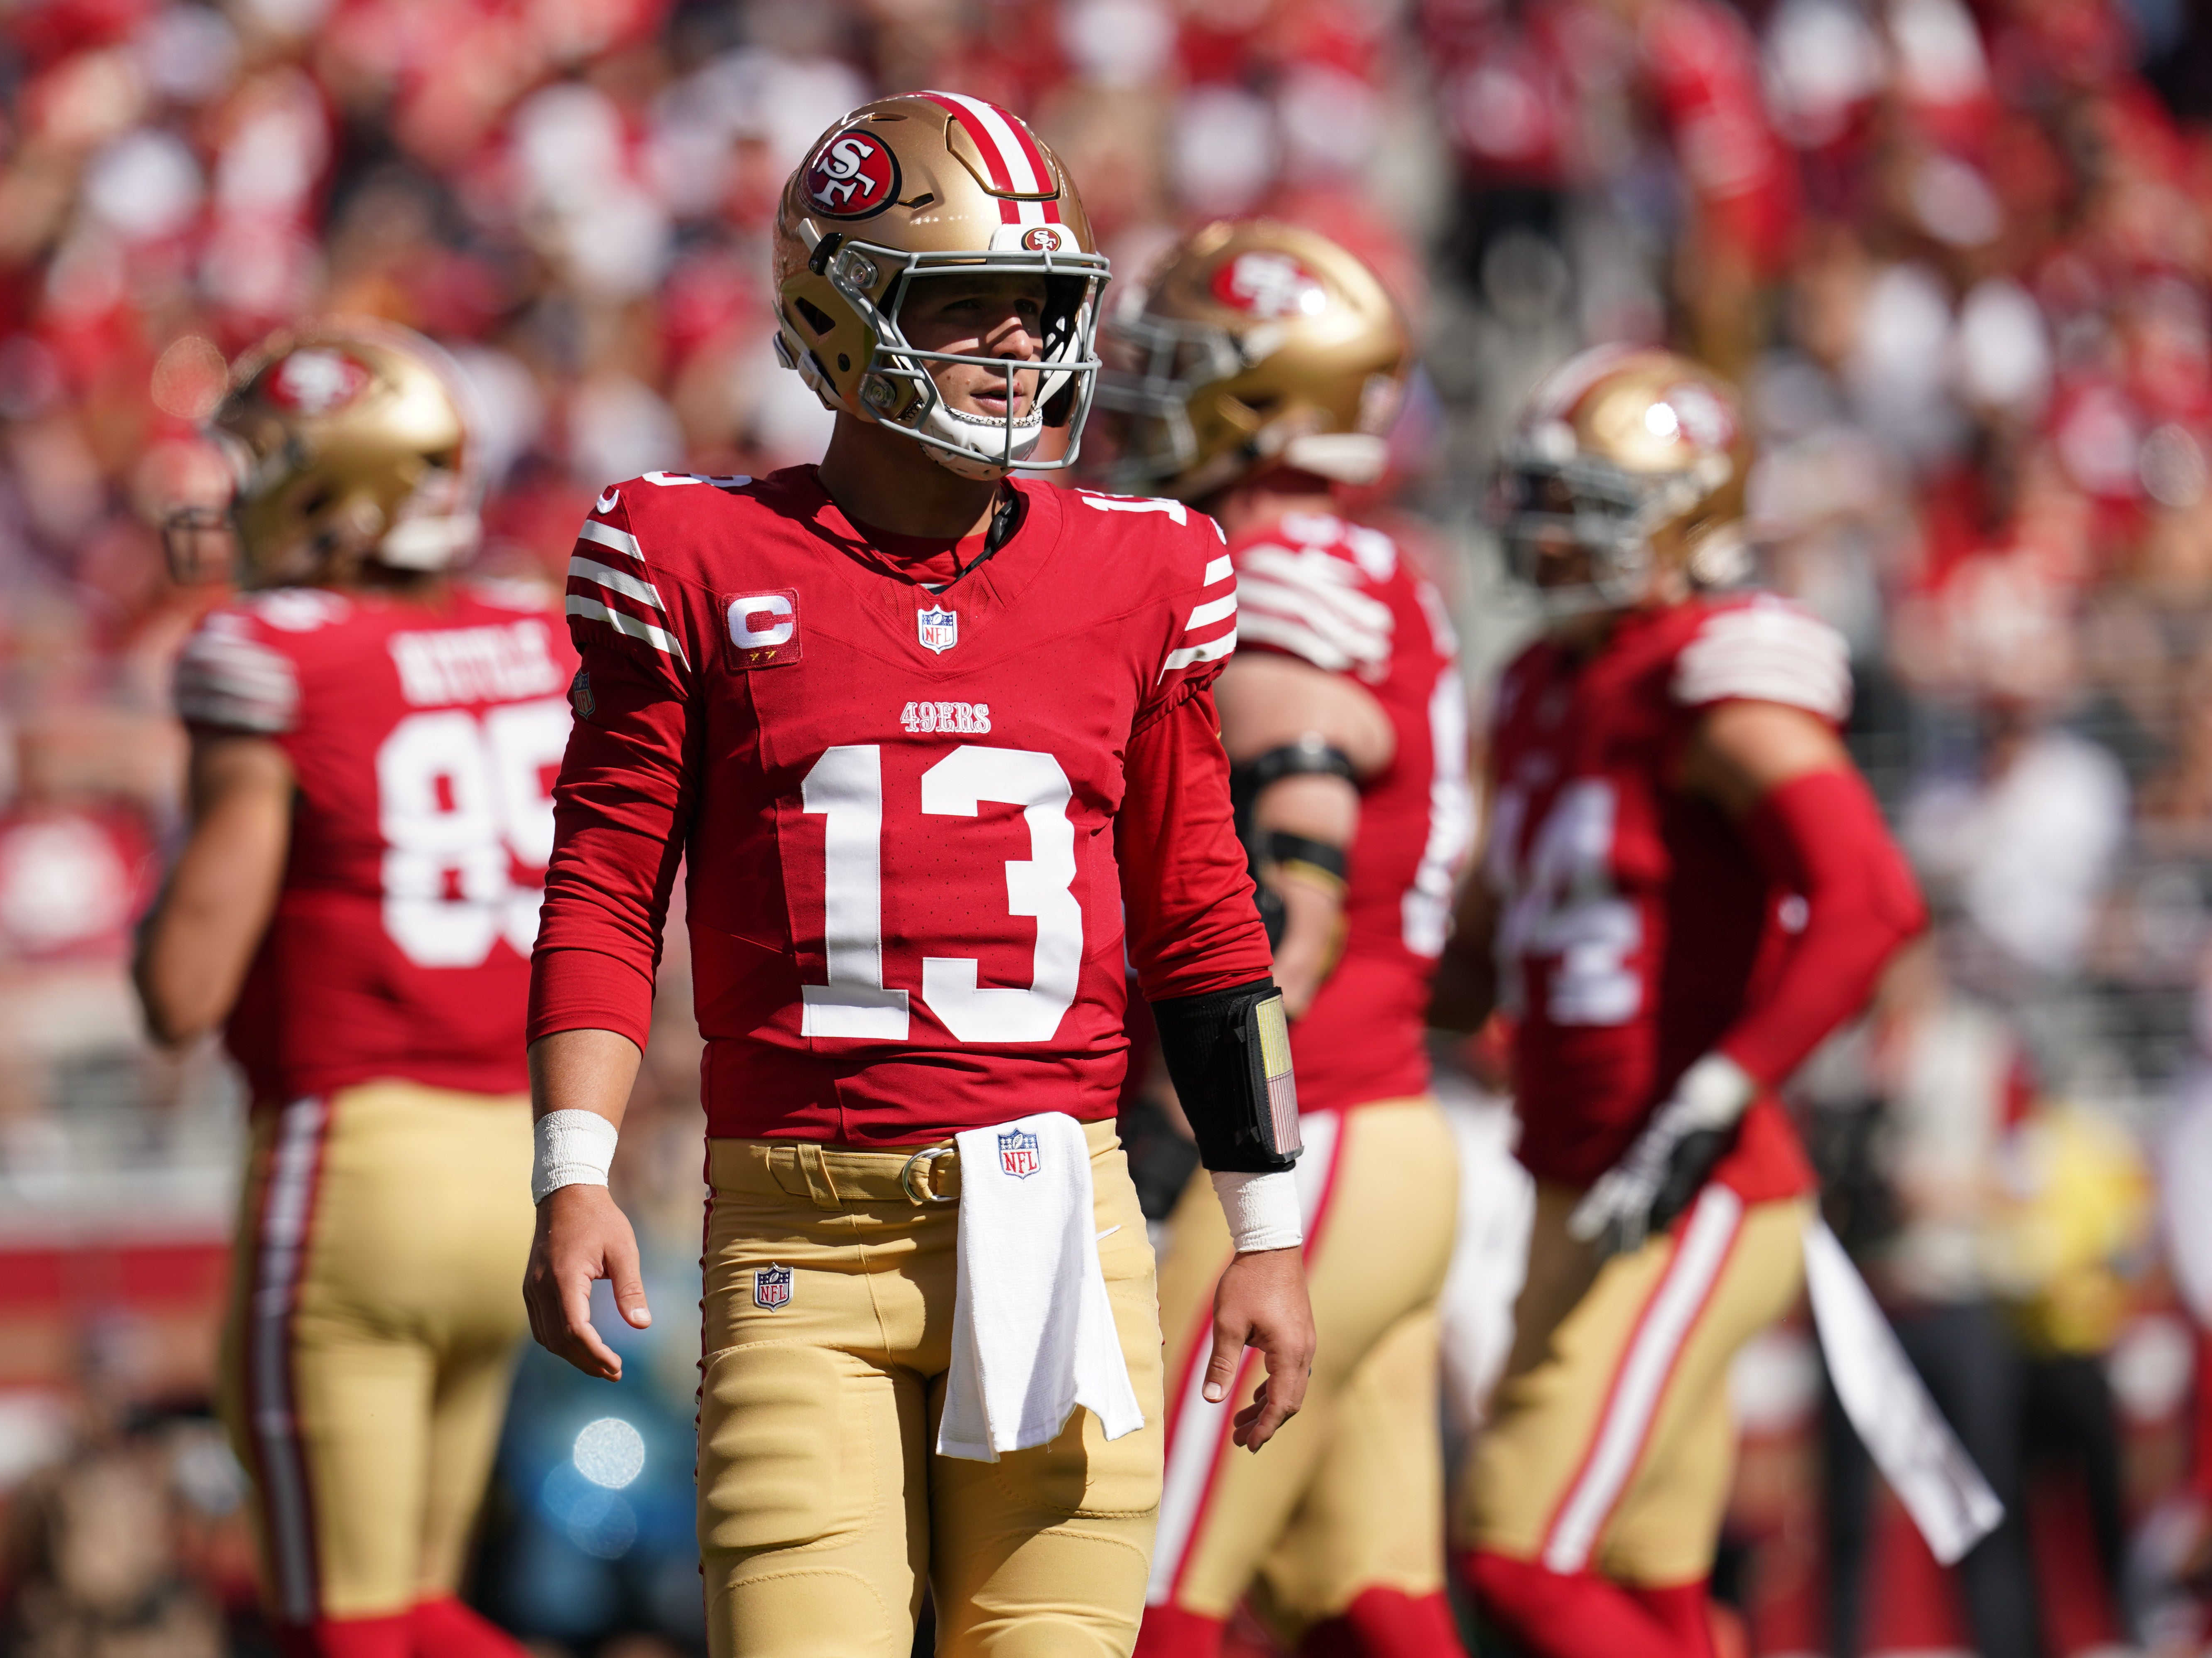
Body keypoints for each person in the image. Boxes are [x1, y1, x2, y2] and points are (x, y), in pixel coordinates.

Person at [518, 91, 1316, 1658]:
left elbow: (1206, 924)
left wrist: (1267, 1231)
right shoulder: (691, 555)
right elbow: (608, 888)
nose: (1016, 349)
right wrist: (570, 1167)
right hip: (803, 1240)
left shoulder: (1148, 567)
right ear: (834, 310)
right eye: (963, 308)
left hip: (1060, 1219)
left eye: (1041, 310)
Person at [1430, 346, 1925, 1658]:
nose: (1546, 535)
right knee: (1652, 1582)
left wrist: (1717, 1092)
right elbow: (1482, 943)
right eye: (1539, 500)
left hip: (1688, 1185)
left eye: (1583, 505)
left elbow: (1872, 903)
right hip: (1567, 1176)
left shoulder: (1713, 678)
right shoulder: (1538, 686)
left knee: (1515, 1551)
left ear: (1682, 519)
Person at [133, 321, 570, 1658]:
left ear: (337, 485)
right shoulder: (532, 633)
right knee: (422, 1610)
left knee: (344, 1625)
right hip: (519, 1165)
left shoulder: (276, 656)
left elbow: (185, 986)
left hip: (357, 1165)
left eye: (265, 466)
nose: (229, 500)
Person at [1095, 220, 1471, 1658]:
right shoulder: (1376, 561)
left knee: (1140, 1593)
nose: (1134, 403)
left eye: (1172, 371)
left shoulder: (1284, 568)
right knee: (1366, 1606)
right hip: (1390, 1138)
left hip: (1309, 1137)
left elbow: (1290, 911)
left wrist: (1174, 1114)